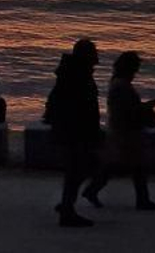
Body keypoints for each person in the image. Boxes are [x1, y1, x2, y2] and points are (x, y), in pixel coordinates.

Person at [83, 52, 155, 211]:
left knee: (119, 165)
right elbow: (128, 111)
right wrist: (147, 108)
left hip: (122, 130)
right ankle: (142, 200)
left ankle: (93, 190)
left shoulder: (118, 83)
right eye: (135, 67)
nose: (136, 71)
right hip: (125, 131)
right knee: (134, 166)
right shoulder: (122, 86)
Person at [45, 38, 101, 227]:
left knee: (80, 169)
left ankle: (67, 206)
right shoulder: (77, 75)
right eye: (93, 53)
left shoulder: (74, 73)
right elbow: (78, 106)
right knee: (77, 169)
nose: (96, 57)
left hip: (74, 129)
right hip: (75, 130)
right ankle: (67, 210)